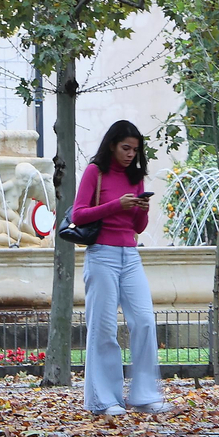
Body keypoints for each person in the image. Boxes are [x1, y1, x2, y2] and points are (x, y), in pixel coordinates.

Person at [72, 120, 169, 416]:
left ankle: (143, 394)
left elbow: (138, 226)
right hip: (101, 254)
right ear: (112, 145)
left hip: (130, 254)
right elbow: (79, 214)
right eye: (125, 148)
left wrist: (142, 209)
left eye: (135, 150)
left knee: (144, 321)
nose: (130, 154)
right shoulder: (95, 172)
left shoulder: (135, 177)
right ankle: (104, 400)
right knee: (103, 328)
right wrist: (116, 205)